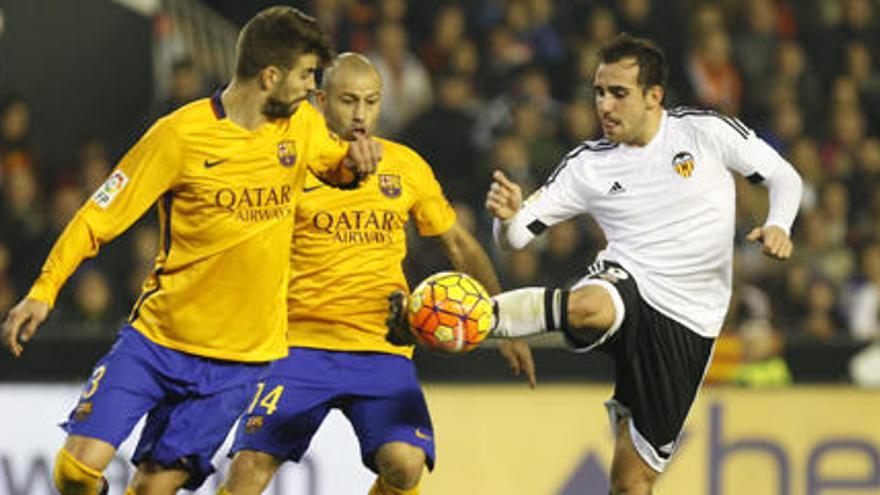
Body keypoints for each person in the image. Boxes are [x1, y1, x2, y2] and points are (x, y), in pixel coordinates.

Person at [1, 7, 381, 495]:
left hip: (239, 362)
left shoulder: (301, 126)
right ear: (270, 76)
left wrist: (358, 166)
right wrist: (43, 291)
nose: (313, 87)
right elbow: (99, 214)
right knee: (74, 474)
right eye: (307, 74)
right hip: (158, 341)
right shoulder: (178, 136)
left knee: (149, 491)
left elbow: (336, 167)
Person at [481, 34, 802, 493]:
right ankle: (474, 318)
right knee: (590, 305)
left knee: (633, 481)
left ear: (654, 96)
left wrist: (779, 225)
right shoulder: (587, 166)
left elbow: (783, 176)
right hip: (627, 282)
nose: (604, 106)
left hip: (691, 319)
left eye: (618, 93)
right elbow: (515, 238)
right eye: (598, 92)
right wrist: (504, 219)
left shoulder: (704, 132)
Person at [217, 53, 535, 495]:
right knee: (249, 468)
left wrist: (507, 324)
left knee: (405, 466)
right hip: (298, 345)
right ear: (321, 100)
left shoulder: (405, 167)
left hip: (382, 344)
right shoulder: (289, 163)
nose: (361, 114)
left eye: (371, 101)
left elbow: (459, 244)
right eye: (349, 100)